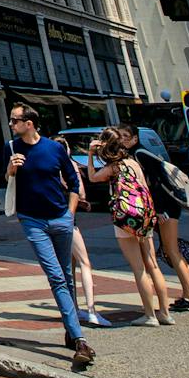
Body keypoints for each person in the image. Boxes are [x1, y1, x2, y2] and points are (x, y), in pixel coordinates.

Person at [4, 103, 95, 366]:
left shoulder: (54, 148)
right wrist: (11, 170)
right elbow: (5, 180)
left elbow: (74, 180)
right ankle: (80, 340)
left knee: (67, 275)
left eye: (15, 120)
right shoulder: (11, 149)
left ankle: (70, 329)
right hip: (32, 221)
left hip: (60, 218)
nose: (11, 125)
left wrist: (70, 212)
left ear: (29, 123)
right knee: (56, 275)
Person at [87, 126, 173, 326]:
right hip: (144, 216)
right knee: (153, 265)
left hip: (125, 219)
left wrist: (91, 155)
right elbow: (145, 187)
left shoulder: (112, 168)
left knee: (139, 269)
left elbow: (92, 177)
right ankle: (165, 313)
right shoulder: (133, 163)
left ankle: (150, 315)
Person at [121, 124, 189, 312]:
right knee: (174, 249)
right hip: (167, 207)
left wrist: (159, 209)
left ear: (135, 138)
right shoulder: (140, 153)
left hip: (166, 208)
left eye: (126, 136)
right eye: (121, 136)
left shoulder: (139, 154)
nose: (123, 139)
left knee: (171, 250)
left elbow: (156, 183)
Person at [50, 134, 107, 328]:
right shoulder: (68, 165)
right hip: (68, 218)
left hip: (52, 218)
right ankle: (91, 310)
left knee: (68, 265)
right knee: (84, 262)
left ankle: (73, 307)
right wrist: (80, 201)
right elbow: (79, 191)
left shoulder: (49, 167)